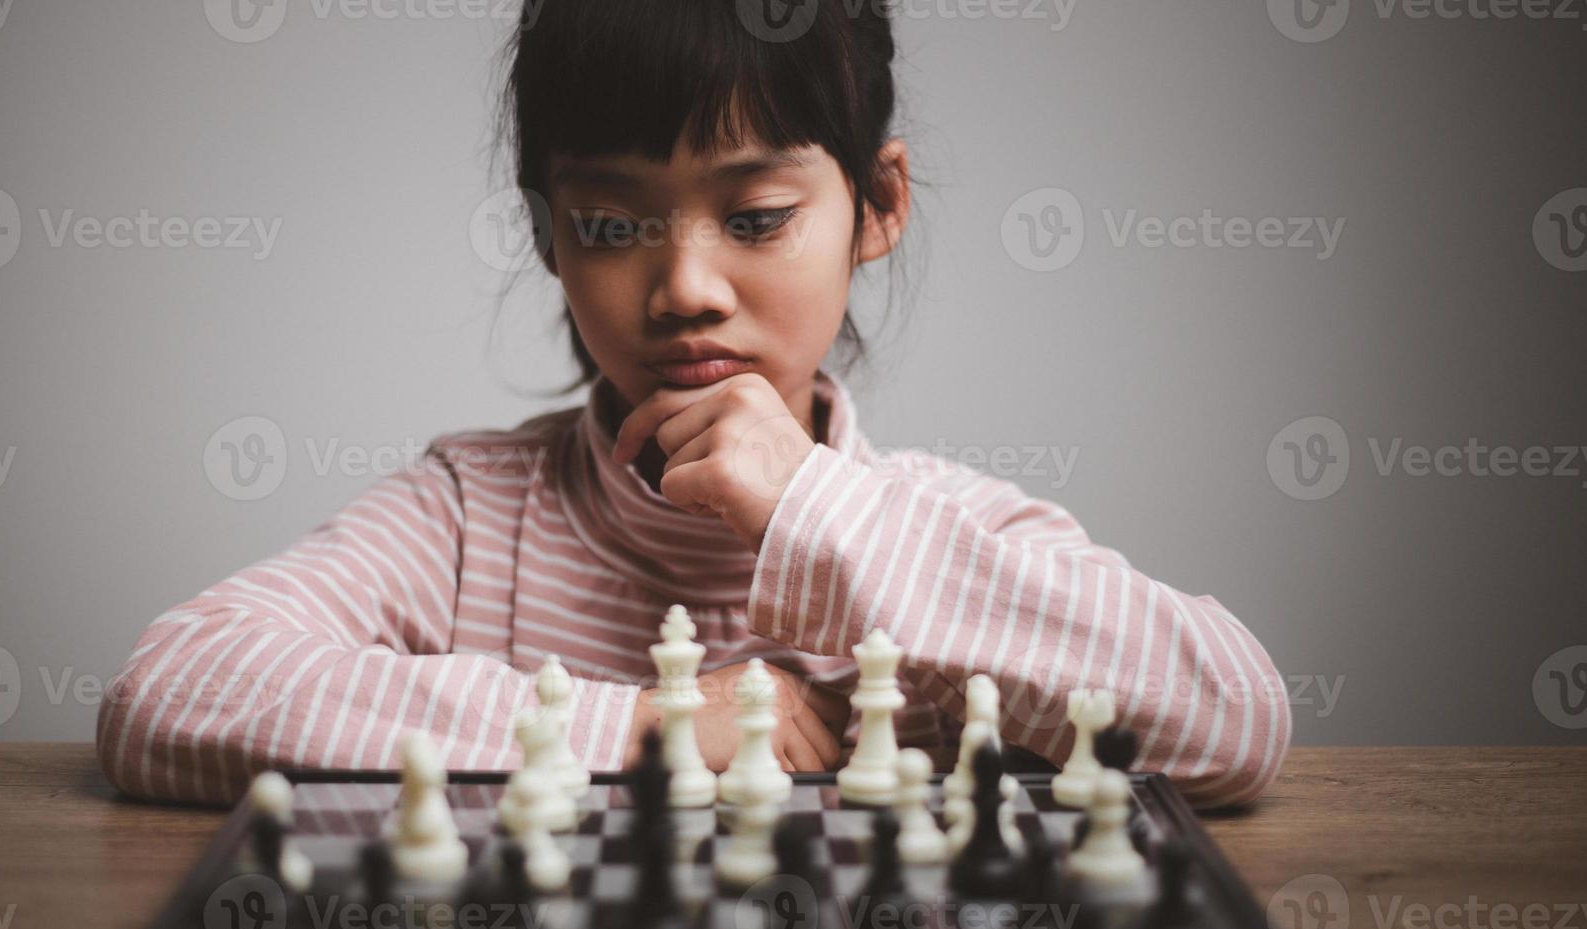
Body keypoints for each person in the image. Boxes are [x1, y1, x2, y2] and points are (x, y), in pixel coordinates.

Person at [96, 0, 1289, 810]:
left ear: (877, 203)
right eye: (610, 225)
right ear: (544, 236)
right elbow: (172, 689)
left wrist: (825, 518)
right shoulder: (467, 515)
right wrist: (642, 730)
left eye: (757, 217)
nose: (683, 289)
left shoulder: (932, 538)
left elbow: (1232, 717)